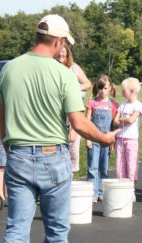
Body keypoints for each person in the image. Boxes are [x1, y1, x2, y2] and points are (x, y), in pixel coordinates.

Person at [0, 14, 117, 243]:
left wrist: (11, 146)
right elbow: (78, 123)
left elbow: (2, 116)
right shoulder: (64, 73)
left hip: (19, 154)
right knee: (57, 228)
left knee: (17, 229)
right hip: (53, 156)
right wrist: (104, 139)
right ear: (59, 41)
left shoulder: (9, 68)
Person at [56, 44, 91, 175]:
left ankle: (71, 174)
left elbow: (87, 83)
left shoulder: (74, 68)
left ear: (67, 53)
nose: (61, 55)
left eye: (63, 52)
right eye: (59, 52)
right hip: (57, 112)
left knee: (72, 144)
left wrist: (76, 88)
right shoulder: (52, 67)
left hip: (73, 111)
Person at [85, 75, 119, 202]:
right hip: (93, 140)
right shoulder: (91, 103)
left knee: (103, 167)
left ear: (110, 88)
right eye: (100, 88)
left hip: (106, 140)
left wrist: (113, 140)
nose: (102, 91)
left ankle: (101, 191)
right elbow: (87, 122)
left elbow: (114, 124)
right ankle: (92, 192)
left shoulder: (114, 105)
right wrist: (87, 139)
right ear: (96, 88)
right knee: (93, 167)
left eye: (105, 88)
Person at [113, 77, 142, 201]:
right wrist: (122, 121)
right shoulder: (122, 105)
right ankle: (121, 188)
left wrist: (122, 120)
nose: (122, 92)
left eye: (123, 90)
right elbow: (115, 121)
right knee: (120, 164)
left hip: (131, 139)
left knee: (131, 164)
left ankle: (131, 190)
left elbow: (131, 120)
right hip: (120, 138)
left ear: (131, 90)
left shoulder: (138, 105)